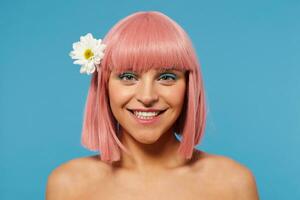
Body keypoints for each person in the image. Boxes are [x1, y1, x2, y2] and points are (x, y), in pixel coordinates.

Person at [46, 11, 259, 199]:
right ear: (104, 86)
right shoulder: (68, 185)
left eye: (166, 77)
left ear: (189, 86)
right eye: (128, 76)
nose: (147, 96)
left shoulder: (233, 184)